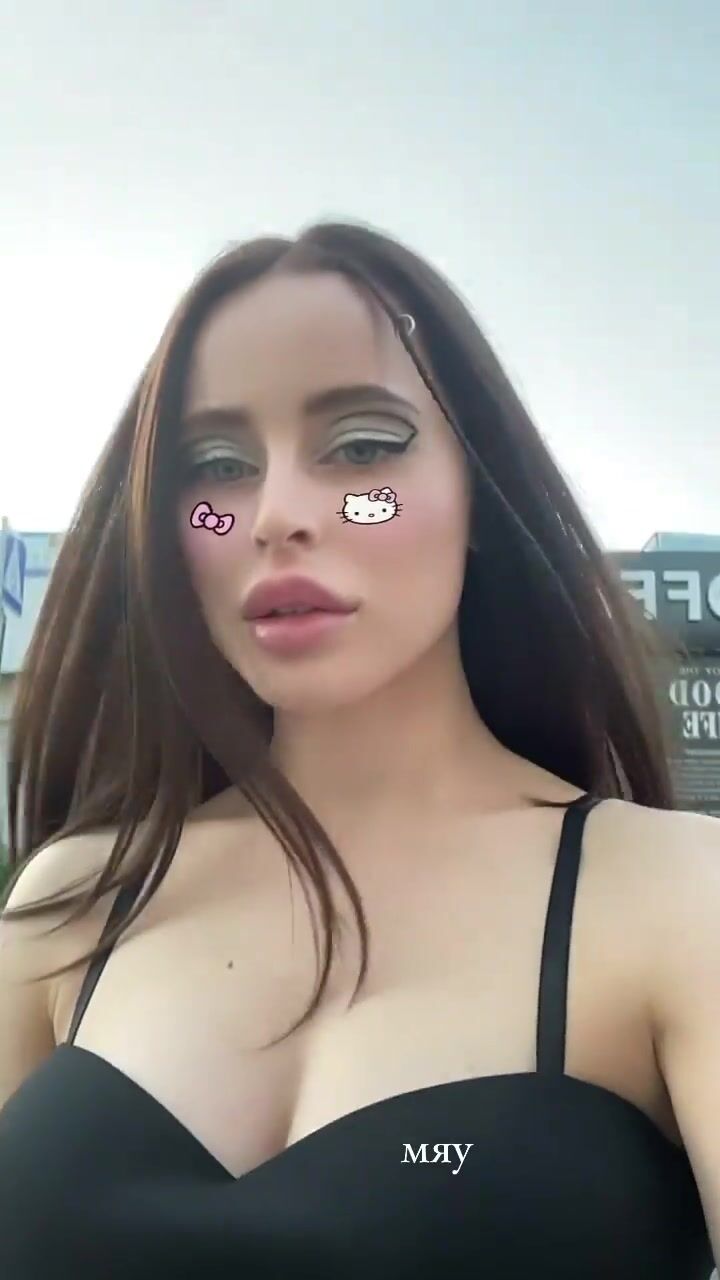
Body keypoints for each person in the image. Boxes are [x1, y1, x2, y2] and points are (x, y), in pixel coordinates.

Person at [0, 221, 717, 1278]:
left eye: (366, 449)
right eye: (215, 467)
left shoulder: (675, 899)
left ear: (479, 493)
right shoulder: (71, 909)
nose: (275, 515)